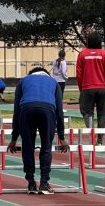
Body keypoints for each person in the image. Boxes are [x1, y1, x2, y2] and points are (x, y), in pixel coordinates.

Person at [7, 67, 70, 195]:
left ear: (30, 74)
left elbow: (16, 112)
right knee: (46, 146)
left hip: (27, 109)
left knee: (27, 147)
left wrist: (14, 139)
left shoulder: (23, 81)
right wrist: (62, 137)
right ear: (46, 74)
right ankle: (44, 183)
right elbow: (59, 111)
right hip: (48, 110)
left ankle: (31, 182)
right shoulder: (53, 82)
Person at [75, 32, 105, 144]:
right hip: (102, 87)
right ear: (100, 42)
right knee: (102, 113)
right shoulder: (104, 54)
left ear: (88, 41)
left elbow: (79, 74)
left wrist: (81, 88)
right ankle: (100, 137)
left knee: (86, 112)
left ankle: (92, 132)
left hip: (87, 88)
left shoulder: (82, 54)